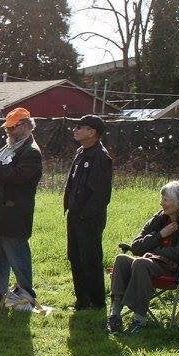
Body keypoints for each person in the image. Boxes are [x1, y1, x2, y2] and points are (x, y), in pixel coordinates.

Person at [108, 181, 179, 334]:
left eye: (165, 199)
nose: (161, 203)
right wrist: (160, 235)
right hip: (150, 262)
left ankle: (139, 319)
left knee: (140, 263)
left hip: (175, 268)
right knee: (121, 259)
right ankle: (115, 314)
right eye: (162, 198)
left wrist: (153, 251)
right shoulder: (158, 219)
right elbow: (136, 246)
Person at [0, 108, 43, 306]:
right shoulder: (10, 147)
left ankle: (26, 294)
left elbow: (16, 177)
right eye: (7, 128)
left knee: (17, 257)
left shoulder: (31, 152)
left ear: (26, 126)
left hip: (13, 214)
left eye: (12, 127)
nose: (8, 131)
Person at [63, 114, 114, 311]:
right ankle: (81, 301)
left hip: (89, 218)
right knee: (74, 256)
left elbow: (101, 195)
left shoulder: (100, 157)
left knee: (90, 259)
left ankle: (97, 302)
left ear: (92, 132)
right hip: (74, 215)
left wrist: (85, 215)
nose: (75, 130)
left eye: (80, 127)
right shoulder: (81, 152)